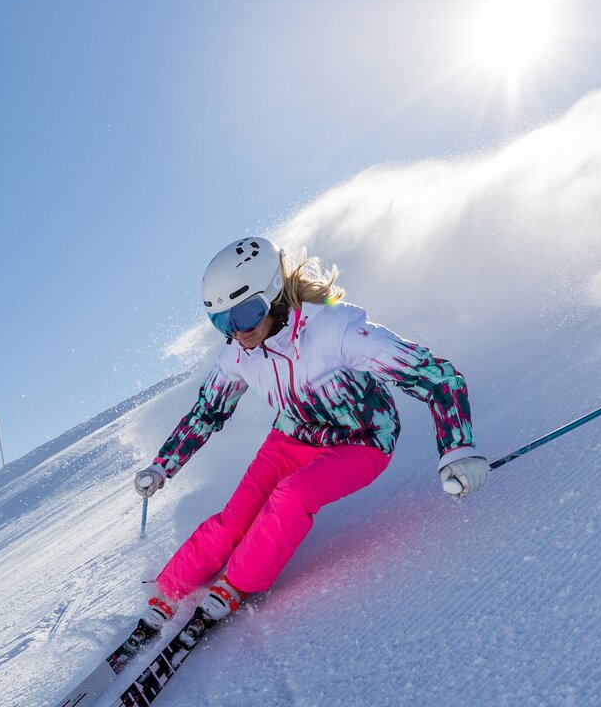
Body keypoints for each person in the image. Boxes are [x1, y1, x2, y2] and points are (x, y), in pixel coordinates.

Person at [133, 236, 487, 627]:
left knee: (292, 495)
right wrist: (162, 466)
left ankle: (237, 583)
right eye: (222, 322)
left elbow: (436, 378)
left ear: (272, 295)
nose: (238, 333)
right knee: (235, 519)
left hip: (364, 438)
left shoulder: (337, 330)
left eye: (246, 314)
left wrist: (458, 449)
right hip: (293, 435)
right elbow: (207, 412)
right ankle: (170, 589)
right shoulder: (238, 355)